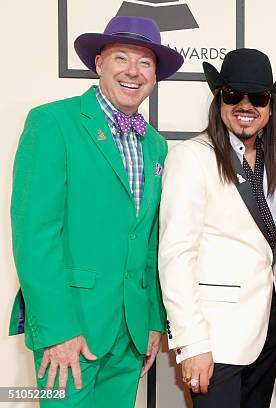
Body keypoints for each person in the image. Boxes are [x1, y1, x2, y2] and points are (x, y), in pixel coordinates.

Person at [8, 16, 183, 406]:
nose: (133, 72)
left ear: (155, 75)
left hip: (131, 330)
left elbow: (152, 237)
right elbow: (34, 234)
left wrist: (153, 320)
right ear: (99, 63)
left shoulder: (155, 144)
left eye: (145, 63)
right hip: (72, 327)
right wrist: (56, 329)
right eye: (122, 58)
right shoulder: (53, 122)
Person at [158, 48, 276, 408]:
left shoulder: (272, 163)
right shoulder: (191, 157)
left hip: (266, 333)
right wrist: (192, 343)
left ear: (270, 106)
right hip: (214, 340)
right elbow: (175, 254)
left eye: (258, 98)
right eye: (233, 95)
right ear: (219, 99)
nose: (245, 106)